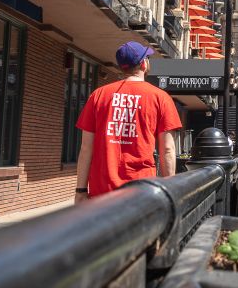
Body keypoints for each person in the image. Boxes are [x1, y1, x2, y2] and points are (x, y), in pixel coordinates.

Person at [75, 41, 182, 202]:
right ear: (144, 64)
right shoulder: (161, 98)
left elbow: (85, 148)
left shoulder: (98, 95)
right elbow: (167, 149)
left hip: (102, 192)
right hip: (141, 192)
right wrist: (170, 192)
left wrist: (81, 190)